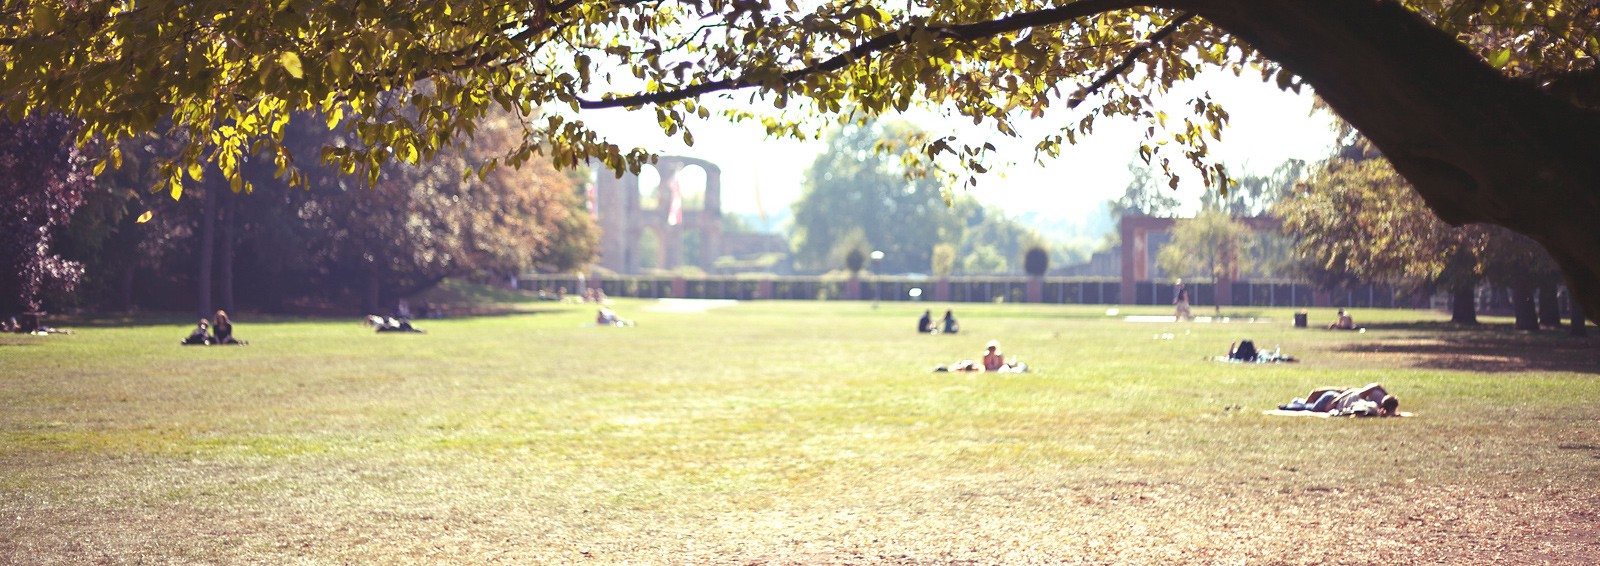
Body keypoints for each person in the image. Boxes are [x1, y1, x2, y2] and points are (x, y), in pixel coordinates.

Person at [1278, 383, 1400, 416]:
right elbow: (1376, 385)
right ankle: (1287, 406)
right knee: (1309, 408)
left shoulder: (1371, 403)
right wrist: (1335, 402)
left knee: (1309, 406)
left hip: (1332, 397)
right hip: (1331, 399)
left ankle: (1297, 401)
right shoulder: (1362, 397)